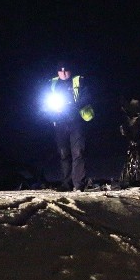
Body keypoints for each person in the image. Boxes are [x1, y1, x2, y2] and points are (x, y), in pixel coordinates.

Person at [48, 61, 93, 191]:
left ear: (70, 71)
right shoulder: (52, 83)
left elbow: (87, 96)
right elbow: (46, 101)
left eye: (66, 70)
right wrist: (53, 116)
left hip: (76, 121)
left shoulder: (79, 80)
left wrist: (74, 105)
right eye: (60, 71)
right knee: (63, 153)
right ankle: (66, 183)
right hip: (60, 121)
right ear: (57, 72)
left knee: (78, 152)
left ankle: (78, 183)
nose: (63, 73)